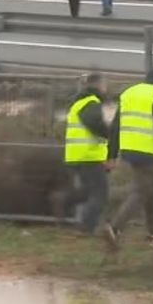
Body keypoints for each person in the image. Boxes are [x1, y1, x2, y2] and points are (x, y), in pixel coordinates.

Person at [101, 66, 153, 248]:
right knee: (142, 191)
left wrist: (111, 153)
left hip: (129, 148)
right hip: (148, 150)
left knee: (149, 188)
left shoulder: (128, 93)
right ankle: (115, 227)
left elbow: (116, 126)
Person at [59, 73, 111, 234]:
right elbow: (94, 123)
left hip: (78, 154)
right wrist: (110, 133)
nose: (106, 88)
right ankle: (86, 227)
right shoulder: (90, 103)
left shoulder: (80, 102)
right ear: (99, 86)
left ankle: (62, 200)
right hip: (89, 155)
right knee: (100, 193)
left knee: (88, 190)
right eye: (105, 85)